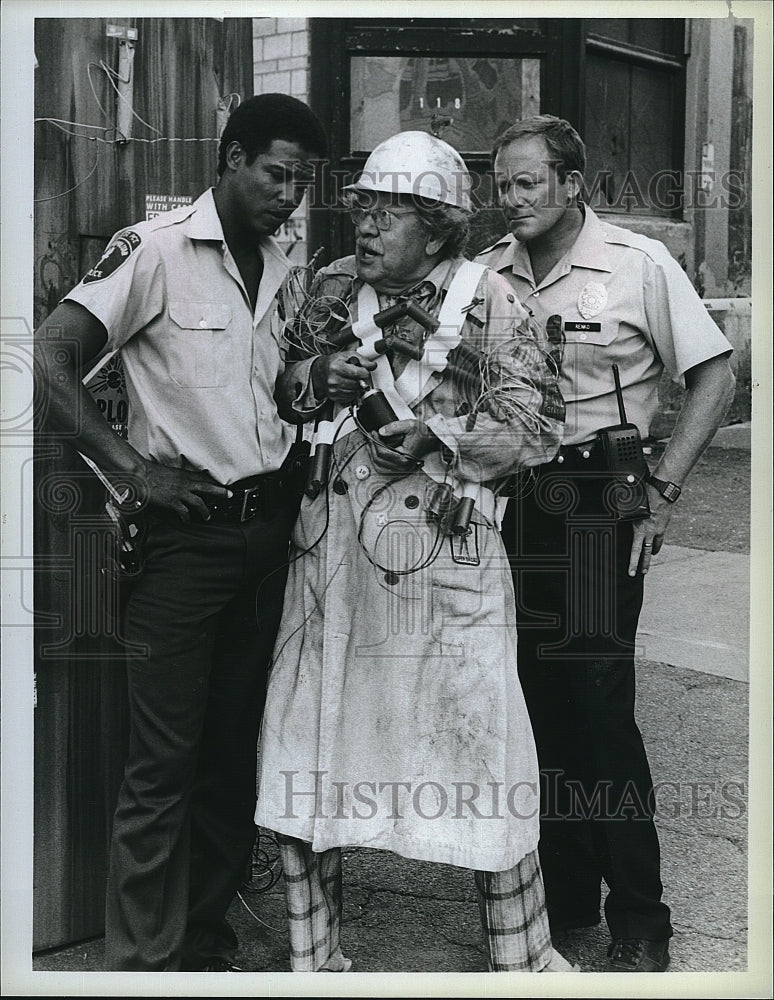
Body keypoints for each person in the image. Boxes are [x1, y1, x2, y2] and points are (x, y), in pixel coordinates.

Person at [255, 130, 576, 973]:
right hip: (333, 564)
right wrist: (315, 377)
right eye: (362, 210)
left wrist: (436, 432)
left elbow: (541, 426)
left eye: (388, 215)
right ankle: (312, 957)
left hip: (445, 555)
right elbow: (281, 389)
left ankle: (523, 957)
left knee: (481, 743)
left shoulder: (495, 302)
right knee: (309, 745)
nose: (365, 229)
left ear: (436, 229)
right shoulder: (327, 290)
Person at [34, 93, 329, 971]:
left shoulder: (286, 258)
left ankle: (203, 944)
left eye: (303, 183)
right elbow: (47, 357)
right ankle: (142, 964)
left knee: (231, 752)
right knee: (161, 765)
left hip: (265, 533)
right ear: (231, 157)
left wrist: (323, 382)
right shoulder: (157, 251)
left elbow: (275, 390)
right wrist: (132, 470)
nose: (289, 196)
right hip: (184, 543)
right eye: (277, 174)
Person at [475, 115, 736, 973]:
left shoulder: (636, 265)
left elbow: (714, 373)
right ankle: (569, 893)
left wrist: (662, 493)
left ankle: (641, 919)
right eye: (500, 184)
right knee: (534, 699)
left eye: (525, 183)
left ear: (573, 183)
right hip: (517, 499)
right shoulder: (488, 276)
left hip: (598, 499)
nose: (507, 199)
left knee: (598, 707)